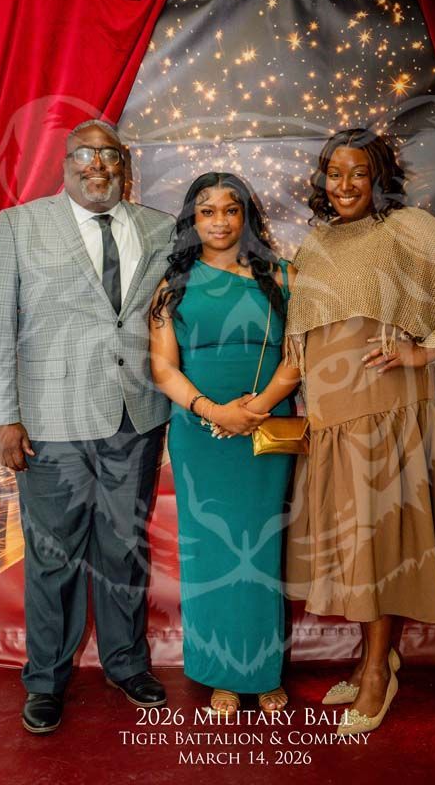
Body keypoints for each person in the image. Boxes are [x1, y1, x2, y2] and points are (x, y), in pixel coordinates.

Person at [285, 128, 435, 735]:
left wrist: (428, 350)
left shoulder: (405, 227)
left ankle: (375, 677)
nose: (344, 186)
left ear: (378, 177)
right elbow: (303, 340)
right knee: (356, 544)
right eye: (334, 173)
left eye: (358, 173)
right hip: (332, 416)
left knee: (378, 540)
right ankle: (377, 655)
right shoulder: (314, 244)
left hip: (387, 408)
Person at [0, 119, 176, 734]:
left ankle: (125, 662)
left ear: (125, 165)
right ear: (65, 162)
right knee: (53, 556)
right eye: (85, 155)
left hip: (135, 418)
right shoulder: (20, 224)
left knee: (123, 548)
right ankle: (46, 679)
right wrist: (1, 416)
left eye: (110, 156)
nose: (98, 167)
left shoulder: (161, 229)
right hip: (49, 422)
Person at [150, 172, 300, 715]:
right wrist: (216, 412)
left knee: (261, 546)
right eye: (206, 211)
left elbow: (297, 356)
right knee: (209, 551)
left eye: (230, 210)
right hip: (199, 432)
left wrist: (252, 411)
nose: (219, 221)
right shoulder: (174, 286)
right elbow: (163, 367)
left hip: (264, 426)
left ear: (246, 217)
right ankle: (220, 672)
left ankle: (262, 671)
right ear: (193, 219)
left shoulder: (280, 277)